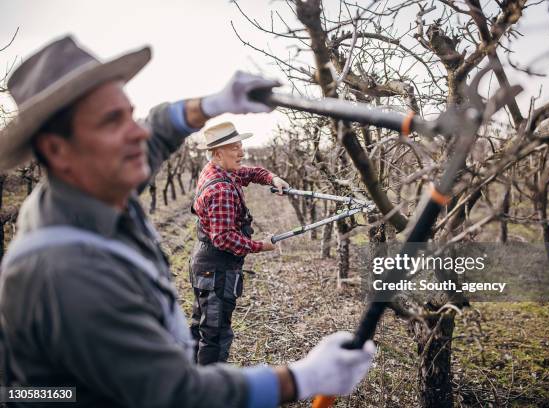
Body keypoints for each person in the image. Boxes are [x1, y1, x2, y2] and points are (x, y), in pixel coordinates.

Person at [0, 36, 375, 408]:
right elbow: (177, 394)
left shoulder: (90, 182)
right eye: (112, 121)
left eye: (131, 114)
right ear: (55, 149)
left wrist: (213, 104)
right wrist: (301, 378)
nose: (139, 132)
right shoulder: (67, 275)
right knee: (213, 335)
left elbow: (160, 129)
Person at [190, 121, 289, 365]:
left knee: (200, 327)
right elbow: (223, 238)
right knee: (216, 335)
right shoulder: (221, 189)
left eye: (241, 145)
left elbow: (251, 172)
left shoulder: (217, 170)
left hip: (204, 264)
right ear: (217, 153)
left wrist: (273, 178)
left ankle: (188, 381)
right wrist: (260, 246)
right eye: (235, 147)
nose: (241, 152)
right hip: (217, 270)